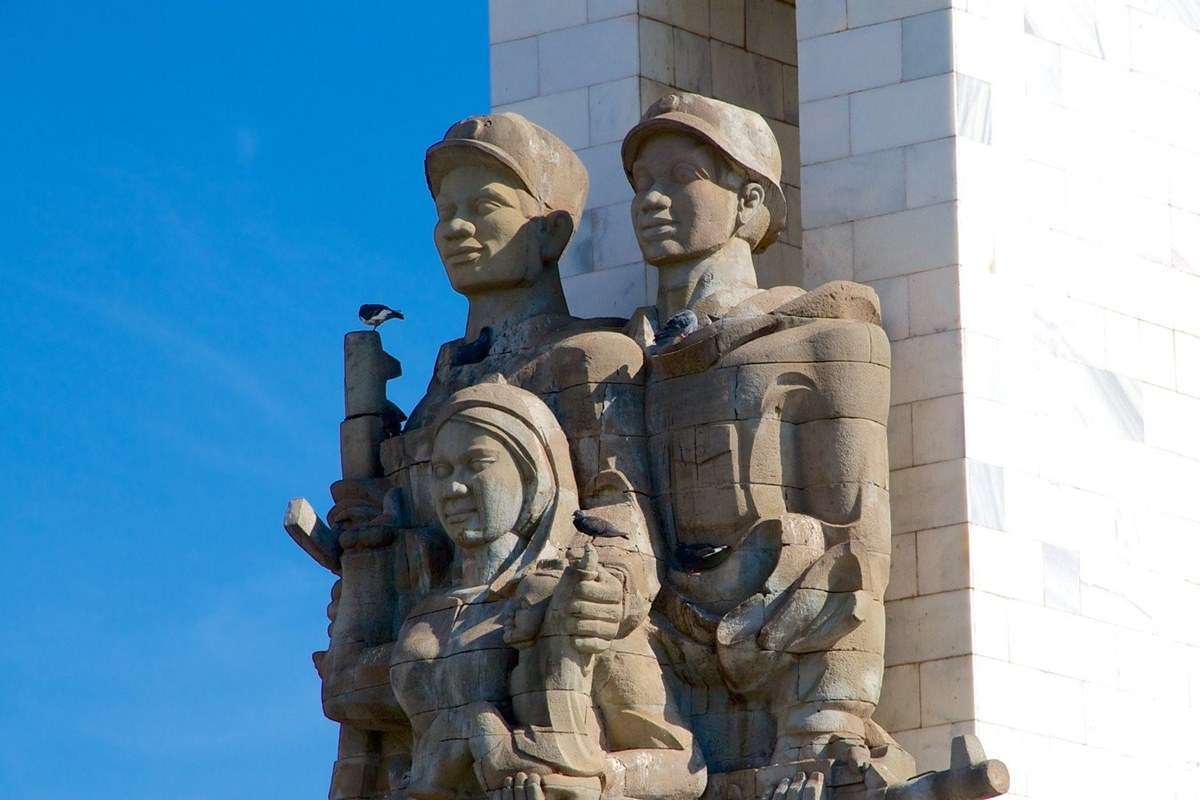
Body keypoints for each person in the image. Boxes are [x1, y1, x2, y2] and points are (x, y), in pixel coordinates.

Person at [316, 113, 674, 799]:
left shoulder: (592, 360)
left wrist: (606, 595)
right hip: (427, 666)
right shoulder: (429, 395)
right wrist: (369, 540)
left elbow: (625, 514)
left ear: (551, 233)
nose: (455, 227)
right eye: (445, 211)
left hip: (552, 659)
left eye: (484, 206)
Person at [619, 93, 910, 787]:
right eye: (642, 184)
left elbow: (856, 547)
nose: (652, 200)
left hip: (791, 647)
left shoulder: (828, 341)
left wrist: (830, 714)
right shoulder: (618, 367)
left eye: (682, 176)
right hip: (666, 657)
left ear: (749, 205)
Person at [390, 381, 703, 800]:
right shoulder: (422, 618)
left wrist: (595, 779)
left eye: (476, 463)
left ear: (531, 471)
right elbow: (344, 697)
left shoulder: (578, 599)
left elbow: (684, 767)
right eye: (441, 472)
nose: (453, 489)